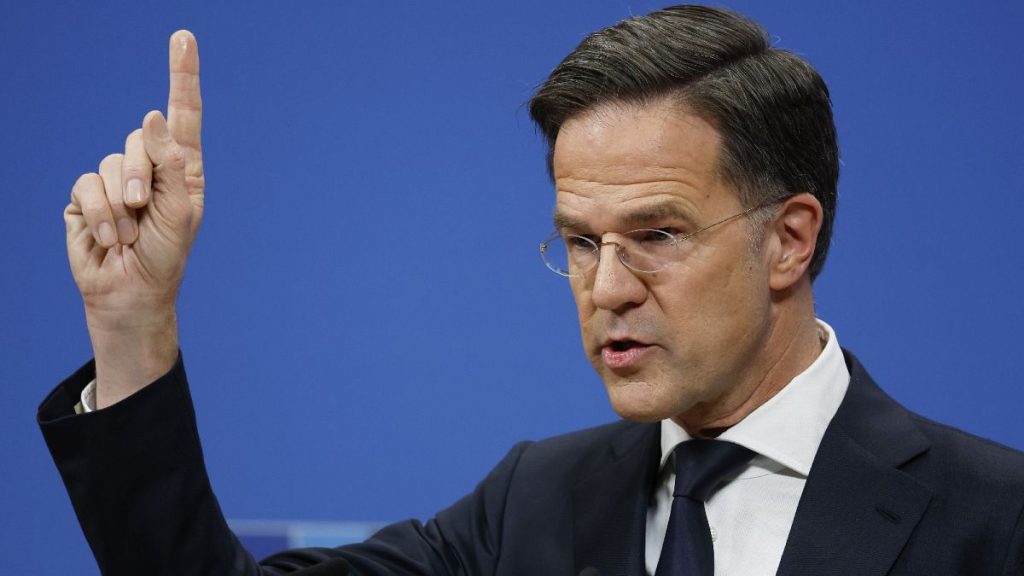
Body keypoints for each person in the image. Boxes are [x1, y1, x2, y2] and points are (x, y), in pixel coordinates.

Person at [39, 5, 1024, 576]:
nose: (605, 289)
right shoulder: (536, 504)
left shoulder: (993, 518)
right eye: (579, 242)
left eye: (656, 237)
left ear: (788, 240)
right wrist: (133, 326)